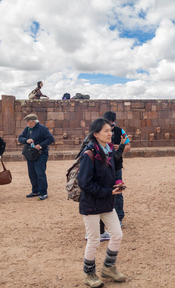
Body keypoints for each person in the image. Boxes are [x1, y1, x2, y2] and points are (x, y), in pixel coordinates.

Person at [78, 118, 127, 287]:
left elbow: (111, 174)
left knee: (117, 234)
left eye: (110, 131)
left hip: (106, 201)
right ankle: (89, 274)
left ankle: (108, 268)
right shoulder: (89, 153)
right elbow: (84, 183)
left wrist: (117, 184)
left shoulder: (108, 151)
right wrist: (107, 191)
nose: (110, 134)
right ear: (96, 134)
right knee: (93, 239)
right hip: (91, 204)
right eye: (106, 131)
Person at [103, 111, 131, 226]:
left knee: (118, 192)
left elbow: (128, 146)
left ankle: (119, 217)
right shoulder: (99, 131)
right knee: (103, 191)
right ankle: (104, 217)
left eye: (112, 125)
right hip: (103, 167)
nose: (111, 128)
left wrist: (121, 147)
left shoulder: (121, 132)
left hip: (116, 166)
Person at [18, 114, 55, 200]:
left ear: (33, 121)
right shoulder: (27, 129)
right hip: (30, 154)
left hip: (41, 154)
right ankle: (35, 190)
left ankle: (43, 192)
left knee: (40, 173)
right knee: (32, 173)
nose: (26, 123)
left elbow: (50, 139)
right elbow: (20, 138)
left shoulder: (43, 129)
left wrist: (40, 145)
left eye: (28, 121)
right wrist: (26, 140)